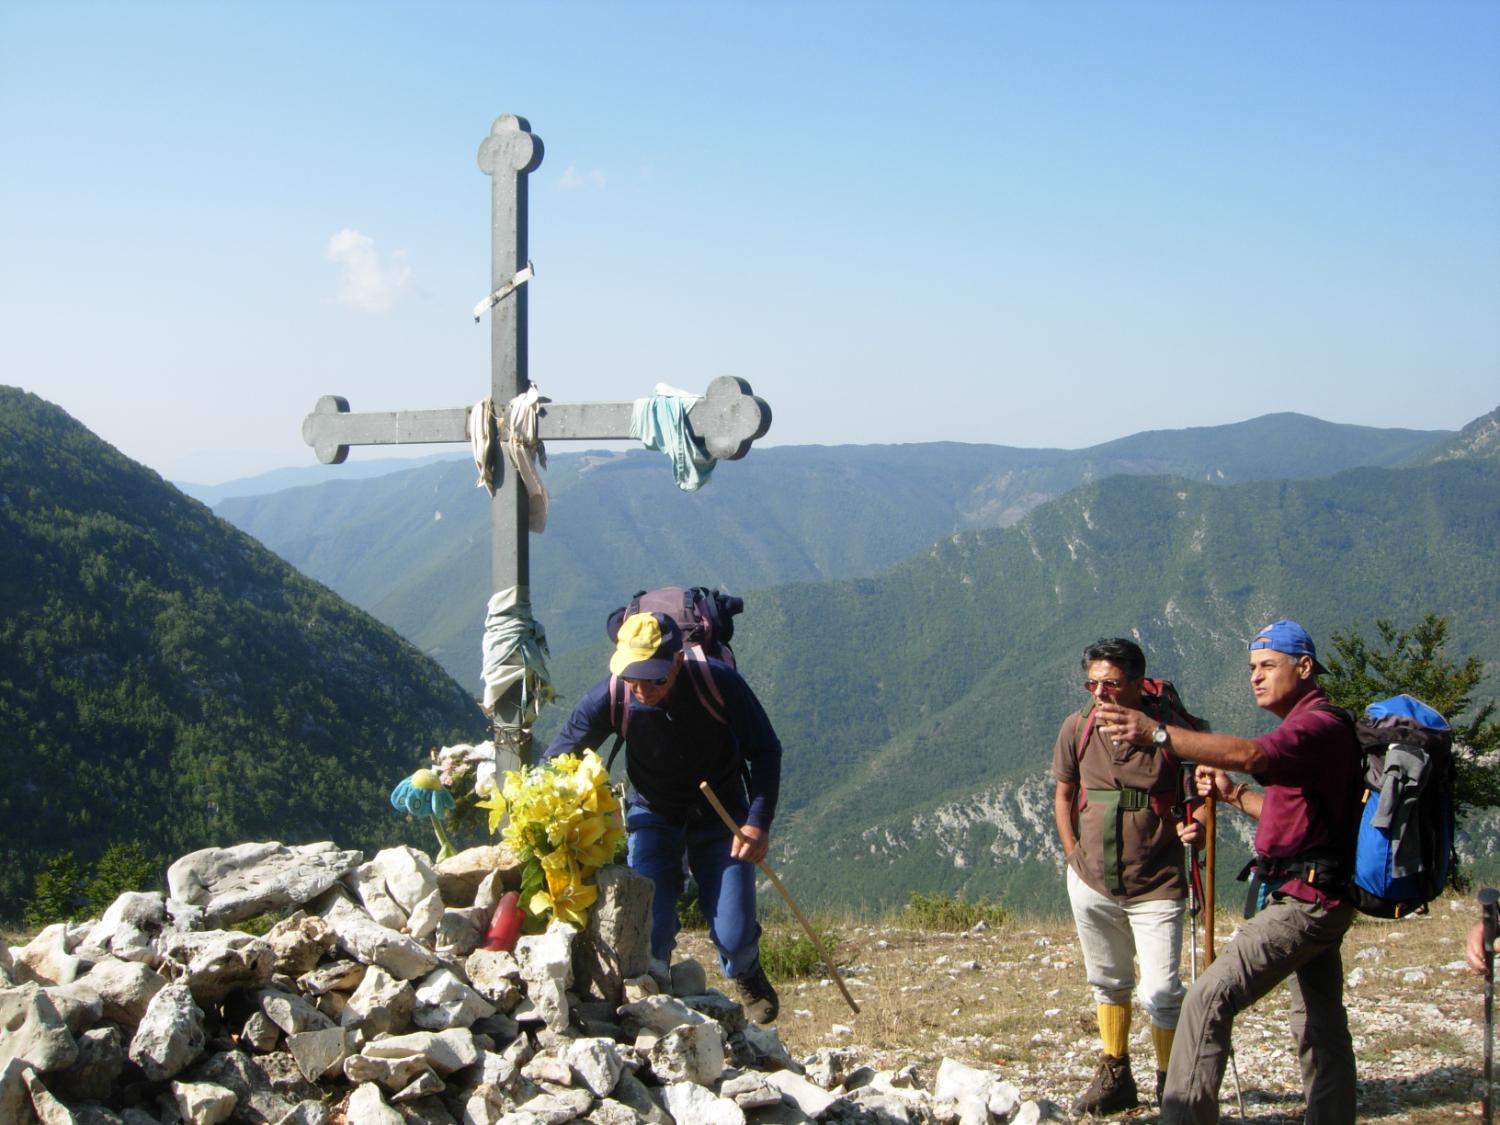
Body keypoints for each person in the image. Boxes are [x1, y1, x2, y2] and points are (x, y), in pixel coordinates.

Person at [1094, 619, 1363, 1125]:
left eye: (1267, 666)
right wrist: (1235, 796)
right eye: (1251, 668)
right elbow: (1294, 814)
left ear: (1304, 668)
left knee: (1207, 997)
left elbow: (1251, 754)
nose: (1255, 678)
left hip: (1306, 902)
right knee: (1319, 1023)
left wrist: (1158, 733)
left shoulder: (1316, 727)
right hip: (1317, 893)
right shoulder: (1307, 729)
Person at [542, 610, 783, 1022]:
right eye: (633, 677)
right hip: (653, 812)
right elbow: (556, 759)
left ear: (677, 661)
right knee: (648, 927)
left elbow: (765, 750)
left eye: (655, 678)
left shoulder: (718, 685)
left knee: (733, 931)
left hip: (722, 816)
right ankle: (655, 994)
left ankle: (744, 969)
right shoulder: (612, 696)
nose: (642, 689)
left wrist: (756, 822)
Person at [1053, 638, 1207, 1115]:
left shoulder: (1172, 733)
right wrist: (1073, 854)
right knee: (1108, 981)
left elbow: (1204, 790)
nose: (1100, 693)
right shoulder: (1076, 728)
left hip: (1157, 882)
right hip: (1092, 880)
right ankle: (1116, 1074)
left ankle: (1171, 1085)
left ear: (1138, 684)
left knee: (1161, 990)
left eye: (1111, 684)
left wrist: (1197, 825)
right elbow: (1063, 794)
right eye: (1093, 683)